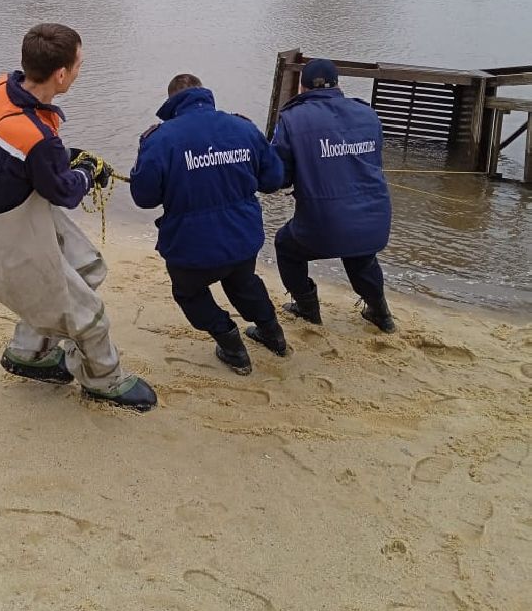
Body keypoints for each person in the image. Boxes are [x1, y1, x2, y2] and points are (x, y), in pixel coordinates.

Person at [0, 23, 157, 412]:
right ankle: (104, 381)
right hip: (13, 237)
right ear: (61, 74)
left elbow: (29, 157)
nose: (79, 71)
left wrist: (69, 157)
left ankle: (30, 352)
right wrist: (89, 173)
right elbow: (66, 192)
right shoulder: (37, 139)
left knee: (87, 269)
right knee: (91, 318)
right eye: (78, 65)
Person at [129, 73, 287, 374]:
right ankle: (273, 334)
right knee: (243, 282)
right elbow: (273, 180)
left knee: (188, 293)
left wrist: (144, 153)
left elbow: (144, 197)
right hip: (242, 237)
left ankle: (231, 344)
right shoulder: (243, 127)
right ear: (205, 94)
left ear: (171, 102)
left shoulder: (160, 139)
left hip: (191, 247)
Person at [271, 58, 395, 333]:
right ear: (338, 84)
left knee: (286, 246)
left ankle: (307, 307)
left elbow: (280, 178)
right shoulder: (368, 114)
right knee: (360, 255)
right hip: (375, 218)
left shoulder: (291, 119)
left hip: (322, 223)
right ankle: (380, 313)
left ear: (301, 88)